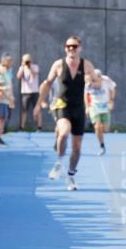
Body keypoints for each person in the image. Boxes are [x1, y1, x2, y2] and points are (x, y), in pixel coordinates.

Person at [34, 35, 96, 191]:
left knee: (77, 147)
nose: (71, 49)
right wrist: (39, 104)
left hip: (79, 108)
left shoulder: (86, 65)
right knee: (64, 132)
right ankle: (59, 162)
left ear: (80, 48)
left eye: (74, 46)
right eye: (68, 46)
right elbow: (47, 84)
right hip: (62, 105)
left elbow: (98, 82)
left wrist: (91, 81)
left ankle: (71, 175)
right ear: (65, 48)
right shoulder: (58, 65)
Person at [86, 69, 115, 154]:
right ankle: (102, 145)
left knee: (105, 129)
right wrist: (87, 107)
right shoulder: (89, 83)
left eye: (96, 78)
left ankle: (100, 130)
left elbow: (112, 89)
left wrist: (111, 100)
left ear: (100, 77)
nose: (94, 80)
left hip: (105, 106)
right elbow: (86, 94)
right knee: (97, 126)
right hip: (94, 106)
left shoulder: (106, 80)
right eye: (93, 78)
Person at [17, 53, 41, 130]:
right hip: (25, 92)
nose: (27, 62)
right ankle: (22, 126)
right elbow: (18, 76)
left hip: (35, 91)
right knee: (24, 110)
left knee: (37, 109)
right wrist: (22, 67)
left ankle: (39, 126)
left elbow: (34, 74)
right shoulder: (22, 68)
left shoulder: (35, 67)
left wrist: (29, 67)